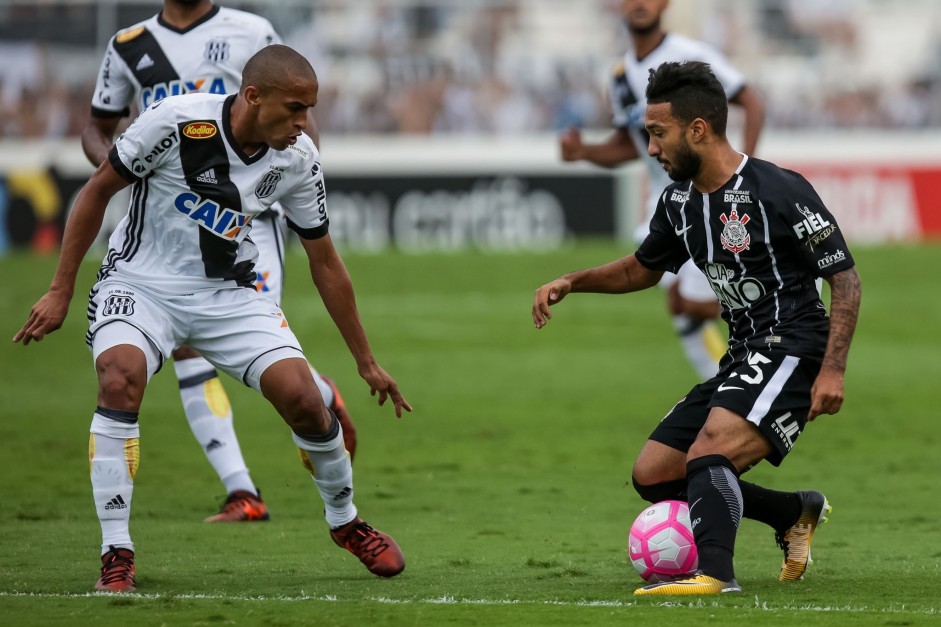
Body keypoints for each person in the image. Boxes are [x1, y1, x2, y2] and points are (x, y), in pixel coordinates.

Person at [15, 44, 410, 592]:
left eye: (310, 109)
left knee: (304, 398)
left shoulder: (298, 159)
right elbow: (97, 190)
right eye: (295, 108)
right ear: (253, 96)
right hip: (140, 282)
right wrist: (60, 289)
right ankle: (116, 551)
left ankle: (346, 523)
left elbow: (326, 261)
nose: (305, 124)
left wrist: (366, 362)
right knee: (119, 378)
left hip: (228, 294)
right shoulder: (175, 122)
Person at [534, 61, 861, 594]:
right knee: (655, 473)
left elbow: (845, 281)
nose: (652, 149)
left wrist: (832, 371)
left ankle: (716, 575)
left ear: (698, 130)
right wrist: (574, 280)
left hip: (796, 349)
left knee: (709, 453)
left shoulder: (779, 190)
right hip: (745, 355)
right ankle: (793, 512)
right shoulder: (680, 202)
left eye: (657, 135)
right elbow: (641, 268)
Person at [81, 0, 359, 524]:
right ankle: (241, 490)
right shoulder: (126, 45)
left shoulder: (251, 31)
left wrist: (293, 175)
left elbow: (297, 106)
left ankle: (319, 398)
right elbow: (97, 128)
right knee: (187, 350)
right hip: (162, 232)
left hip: (244, 224)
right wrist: (125, 165)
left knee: (262, 361)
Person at [559, 0, 766, 381]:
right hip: (666, 205)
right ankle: (723, 387)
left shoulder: (689, 56)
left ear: (665, 4)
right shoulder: (619, 76)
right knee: (681, 305)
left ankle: (776, 317)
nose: (639, 3)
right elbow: (631, 144)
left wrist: (743, 175)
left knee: (694, 304)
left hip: (706, 195)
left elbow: (751, 100)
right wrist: (584, 151)